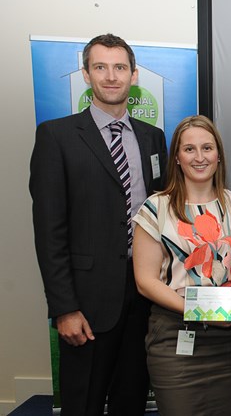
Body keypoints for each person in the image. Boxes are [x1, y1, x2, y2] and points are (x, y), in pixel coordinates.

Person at [30, 33, 168, 415]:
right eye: (101, 67)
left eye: (120, 67)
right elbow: (49, 229)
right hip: (86, 301)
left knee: (132, 396)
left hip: (144, 292)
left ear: (133, 75)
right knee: (83, 402)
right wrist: (64, 307)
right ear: (87, 74)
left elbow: (161, 214)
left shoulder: (153, 138)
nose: (111, 76)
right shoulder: (56, 136)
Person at [132, 115, 231, 416]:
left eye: (207, 148)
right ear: (176, 157)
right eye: (189, 149)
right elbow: (145, 281)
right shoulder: (155, 208)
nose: (199, 157)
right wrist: (203, 311)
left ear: (219, 155)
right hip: (176, 337)